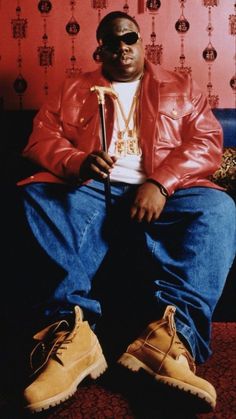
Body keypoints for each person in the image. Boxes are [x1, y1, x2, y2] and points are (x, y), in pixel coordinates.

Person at [11, 10, 235, 414]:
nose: (122, 47)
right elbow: (40, 139)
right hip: (92, 188)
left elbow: (205, 140)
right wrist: (76, 161)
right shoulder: (73, 88)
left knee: (219, 208)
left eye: (128, 38)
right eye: (112, 42)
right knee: (35, 196)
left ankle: (169, 338)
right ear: (100, 48)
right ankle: (70, 334)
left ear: (140, 41)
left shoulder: (180, 86)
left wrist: (161, 182)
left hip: (169, 190)